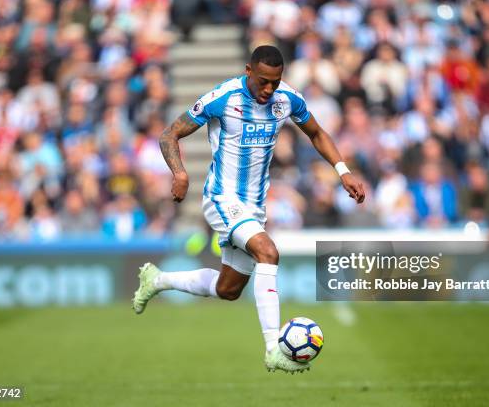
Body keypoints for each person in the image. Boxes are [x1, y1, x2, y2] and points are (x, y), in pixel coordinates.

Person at [131, 46, 365, 373]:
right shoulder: (223, 97)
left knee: (228, 289)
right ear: (248, 71)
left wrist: (343, 171)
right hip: (222, 198)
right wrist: (180, 173)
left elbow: (316, 132)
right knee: (268, 252)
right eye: (263, 81)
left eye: (275, 82)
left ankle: (157, 280)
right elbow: (170, 134)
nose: (269, 90)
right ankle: (273, 349)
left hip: (254, 206)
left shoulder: (287, 99)